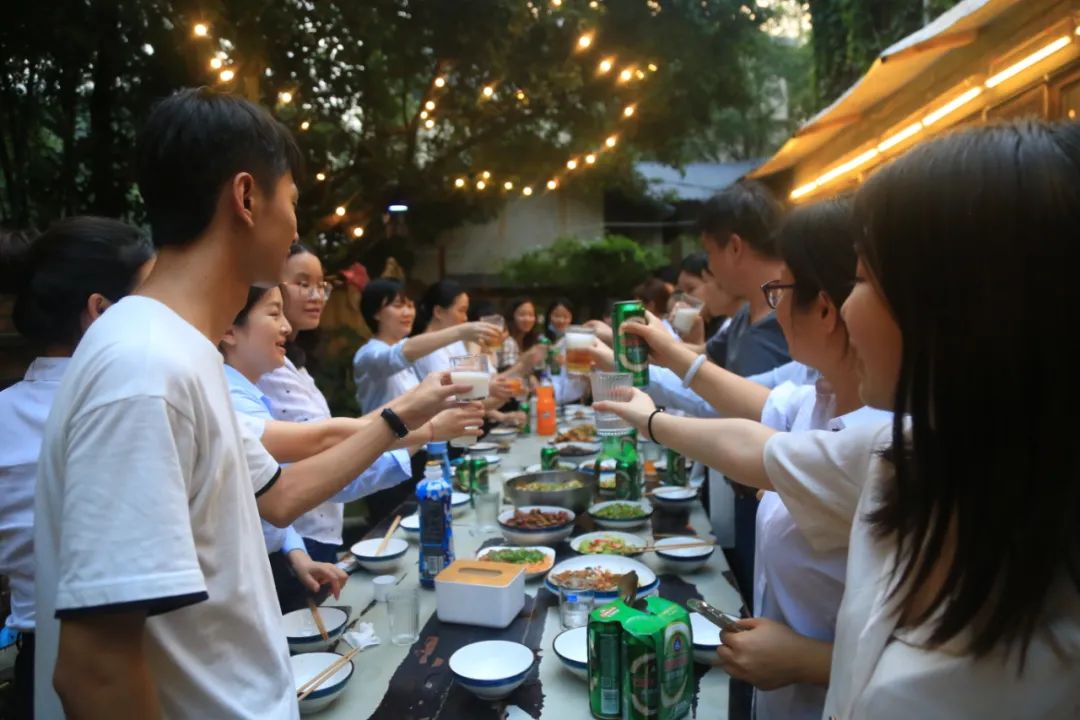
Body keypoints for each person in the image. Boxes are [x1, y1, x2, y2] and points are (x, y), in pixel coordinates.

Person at [598, 121, 1080, 718]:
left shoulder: (1045, 660)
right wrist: (659, 397)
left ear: (960, 313)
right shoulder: (906, 453)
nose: (846, 306)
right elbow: (760, 442)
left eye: (863, 279)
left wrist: (653, 414)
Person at [33, 87, 470, 719]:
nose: (295, 226)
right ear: (245, 197)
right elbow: (96, 673)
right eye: (291, 201)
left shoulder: (183, 353)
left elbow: (281, 495)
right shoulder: (144, 369)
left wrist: (405, 418)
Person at [612, 199, 889, 719]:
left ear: (825, 309)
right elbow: (757, 403)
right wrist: (668, 350)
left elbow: (754, 447)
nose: (774, 305)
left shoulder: (888, 438)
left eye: (780, 290)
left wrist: (652, 421)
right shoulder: (819, 396)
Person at [0, 218, 154, 720]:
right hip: (136, 664)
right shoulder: (136, 402)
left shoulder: (4, 413)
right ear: (100, 311)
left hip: (34, 667)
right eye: (149, 301)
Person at [260, 245, 411, 563]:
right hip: (298, 538)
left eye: (321, 285)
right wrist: (424, 425)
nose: (317, 296)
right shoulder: (263, 368)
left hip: (314, 531)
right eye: (303, 284)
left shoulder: (293, 361)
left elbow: (335, 436)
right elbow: (326, 446)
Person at [353, 276, 500, 413]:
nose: (407, 312)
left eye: (410, 305)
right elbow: (398, 355)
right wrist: (462, 332)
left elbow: (451, 401)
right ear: (376, 313)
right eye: (398, 306)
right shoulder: (368, 354)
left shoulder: (414, 350)